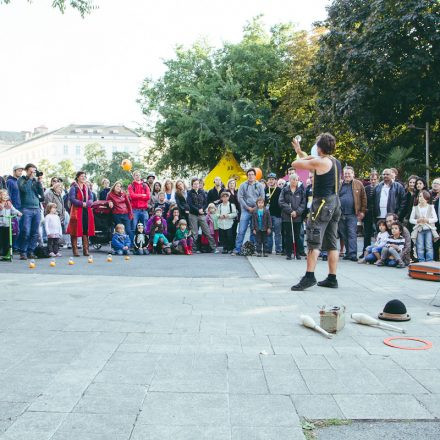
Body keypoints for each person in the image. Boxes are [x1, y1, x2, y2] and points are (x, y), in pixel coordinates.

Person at [289, 133, 342, 291]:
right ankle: (332, 278)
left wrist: (300, 156)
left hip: (322, 204)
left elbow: (295, 164)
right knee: (332, 243)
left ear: (319, 147)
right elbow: (310, 160)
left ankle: (309, 276)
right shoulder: (335, 161)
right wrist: (300, 151)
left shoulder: (321, 162)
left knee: (313, 239)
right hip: (334, 203)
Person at [232, 169, 265, 256]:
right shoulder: (243, 185)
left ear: (255, 175)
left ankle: (251, 249)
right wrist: (247, 207)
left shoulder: (260, 185)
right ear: (247, 176)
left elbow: (262, 197)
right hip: (245, 211)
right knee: (241, 230)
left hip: (256, 211)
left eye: (252, 174)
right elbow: (240, 198)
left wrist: (255, 208)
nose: (250, 176)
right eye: (249, 174)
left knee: (253, 231)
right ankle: (237, 249)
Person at [337, 166, 367, 261]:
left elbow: (363, 198)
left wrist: (362, 211)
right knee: (343, 234)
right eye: (345, 173)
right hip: (340, 214)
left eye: (349, 173)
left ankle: (353, 254)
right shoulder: (339, 184)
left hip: (352, 214)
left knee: (352, 233)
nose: (347, 175)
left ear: (353, 174)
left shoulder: (358, 184)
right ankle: (348, 252)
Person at [17, 163, 44, 260]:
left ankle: (31, 251)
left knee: (35, 232)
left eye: (34, 171)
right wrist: (30, 178)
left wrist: (39, 182)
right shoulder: (22, 180)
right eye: (32, 170)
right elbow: (24, 189)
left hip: (36, 208)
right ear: (27, 170)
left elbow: (41, 194)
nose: (33, 172)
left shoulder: (35, 181)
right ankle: (23, 252)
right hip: (26, 208)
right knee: (26, 231)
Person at [67, 171, 95, 257]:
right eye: (82, 176)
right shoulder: (73, 187)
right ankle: (75, 250)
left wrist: (88, 203)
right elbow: (71, 198)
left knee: (85, 229)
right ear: (77, 177)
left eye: (84, 176)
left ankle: (85, 250)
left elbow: (91, 198)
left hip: (86, 210)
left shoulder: (87, 188)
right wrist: (81, 203)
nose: (83, 178)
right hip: (76, 210)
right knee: (75, 229)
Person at [279, 173, 306, 260]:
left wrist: (297, 212)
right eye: (293, 179)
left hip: (297, 217)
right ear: (289, 180)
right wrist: (290, 211)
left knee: (297, 235)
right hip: (287, 217)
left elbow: (303, 203)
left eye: (296, 180)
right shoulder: (285, 190)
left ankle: (297, 253)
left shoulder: (301, 191)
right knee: (288, 235)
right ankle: (288, 253)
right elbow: (281, 202)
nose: (294, 181)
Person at [187, 177, 216, 253]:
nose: (196, 185)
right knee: (195, 233)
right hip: (193, 214)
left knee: (207, 231)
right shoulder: (189, 193)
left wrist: (202, 209)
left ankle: (213, 247)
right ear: (192, 185)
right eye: (195, 184)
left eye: (198, 184)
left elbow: (206, 203)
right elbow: (190, 204)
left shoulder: (202, 192)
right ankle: (193, 249)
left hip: (202, 215)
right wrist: (198, 210)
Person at [409, 190, 438, 262]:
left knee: (429, 246)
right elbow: (411, 220)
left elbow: (435, 219)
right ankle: (421, 260)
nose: (420, 198)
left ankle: (430, 261)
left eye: (422, 196)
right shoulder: (415, 207)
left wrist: (427, 220)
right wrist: (417, 221)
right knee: (420, 246)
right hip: (419, 229)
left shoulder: (431, 207)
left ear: (427, 198)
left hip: (428, 229)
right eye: (419, 196)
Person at [0, 189, 22, 259]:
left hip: (7, 224)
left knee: (7, 240)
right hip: (0, 224)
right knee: (1, 239)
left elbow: (13, 210)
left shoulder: (9, 203)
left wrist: (18, 213)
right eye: (3, 195)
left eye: (6, 195)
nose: (5, 196)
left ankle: (6, 254)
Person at [361, 170, 379, 256]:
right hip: (368, 213)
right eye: (371, 179)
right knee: (367, 233)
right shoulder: (366, 188)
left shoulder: (380, 187)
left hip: (377, 213)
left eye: (375, 179)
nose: (373, 181)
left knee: (378, 233)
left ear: (377, 179)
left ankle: (376, 253)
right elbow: (363, 200)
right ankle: (365, 251)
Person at [6, 165, 23, 250]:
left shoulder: (19, 181)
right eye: (19, 170)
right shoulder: (10, 181)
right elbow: (8, 195)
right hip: (14, 208)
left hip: (21, 208)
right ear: (14, 171)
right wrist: (11, 208)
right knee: (15, 230)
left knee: (20, 229)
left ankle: (17, 246)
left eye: (21, 171)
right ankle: (13, 247)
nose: (20, 172)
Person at [265, 173, 282, 255]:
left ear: (275, 180)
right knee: (269, 232)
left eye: (272, 179)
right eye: (269, 179)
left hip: (277, 215)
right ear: (267, 181)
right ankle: (269, 249)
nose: (271, 181)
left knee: (278, 233)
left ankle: (278, 249)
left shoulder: (279, 190)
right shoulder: (265, 190)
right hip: (268, 215)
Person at [226, 178, 240, 244]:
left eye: (233, 183)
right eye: (230, 183)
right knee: (229, 230)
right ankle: (228, 246)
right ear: (228, 185)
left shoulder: (237, 192)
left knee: (234, 230)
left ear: (235, 185)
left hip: (236, 213)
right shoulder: (226, 192)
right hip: (228, 213)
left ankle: (233, 245)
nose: (232, 185)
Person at [431, 178, 440, 260]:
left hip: (438, 221)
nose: (435, 184)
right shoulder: (428, 194)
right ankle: (435, 259)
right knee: (434, 242)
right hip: (432, 222)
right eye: (434, 183)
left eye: (437, 183)